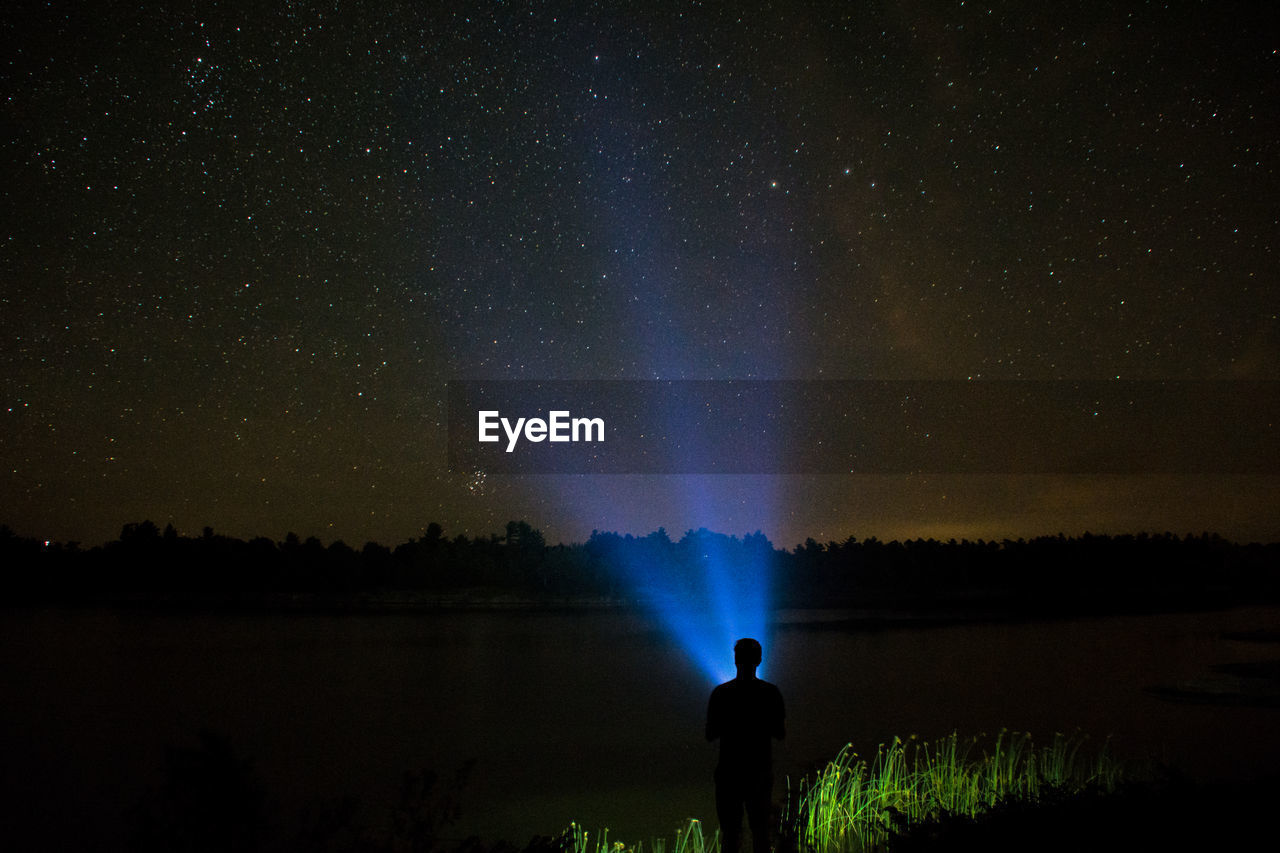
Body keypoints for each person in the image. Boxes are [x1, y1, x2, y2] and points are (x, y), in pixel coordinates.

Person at [705, 638, 785, 853]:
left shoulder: (721, 693)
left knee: (731, 834)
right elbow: (780, 733)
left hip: (729, 773)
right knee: (760, 833)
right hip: (759, 772)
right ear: (759, 660)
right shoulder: (771, 693)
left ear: (735, 660)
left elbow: (710, 734)